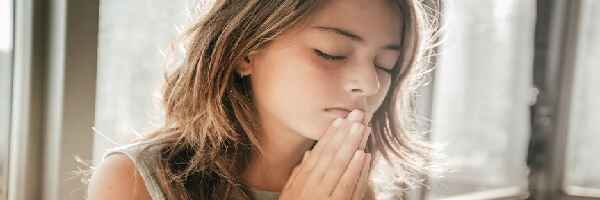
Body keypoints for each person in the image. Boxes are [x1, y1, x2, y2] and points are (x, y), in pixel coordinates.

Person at [87, 0, 439, 199]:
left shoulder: (363, 188)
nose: (370, 83)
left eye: (385, 65)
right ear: (245, 52)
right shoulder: (135, 182)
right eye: (331, 53)